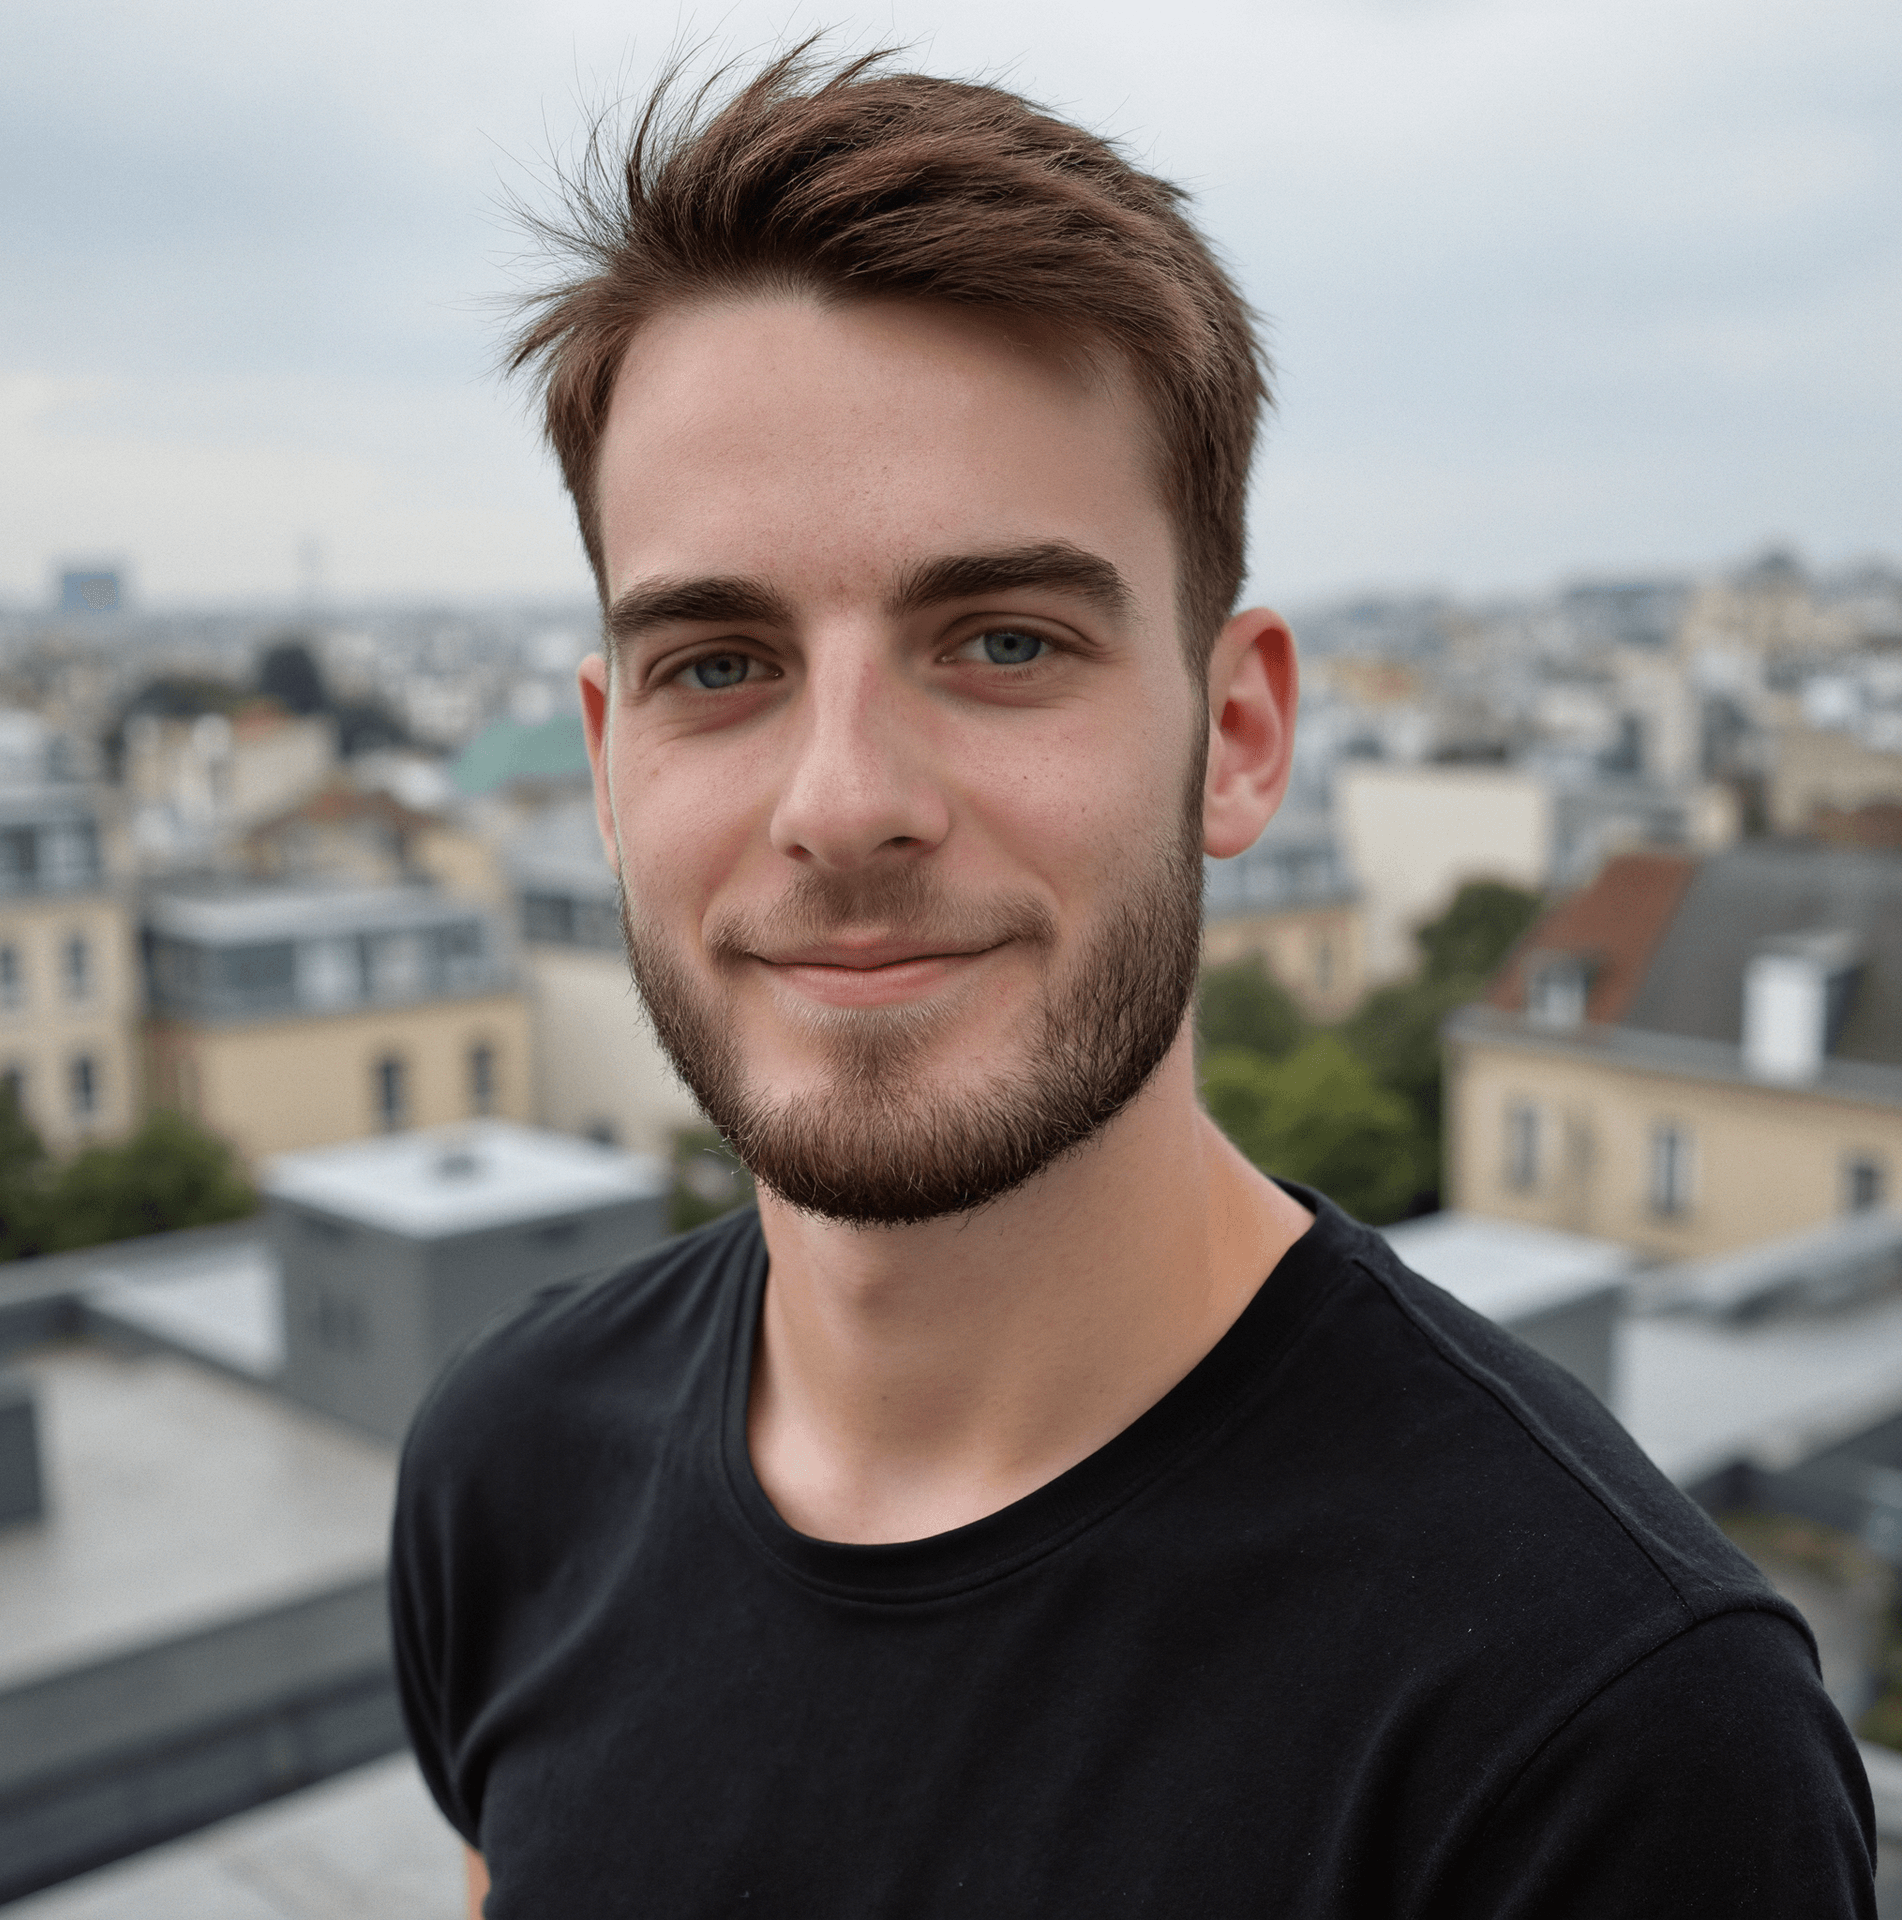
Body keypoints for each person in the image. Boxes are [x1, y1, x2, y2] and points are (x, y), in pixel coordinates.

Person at [390, 48, 1875, 1918]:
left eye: (1002, 639)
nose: (844, 804)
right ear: (605, 766)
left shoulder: (1603, 1730)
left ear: (1238, 735)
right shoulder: (503, 1473)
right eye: (717, 665)